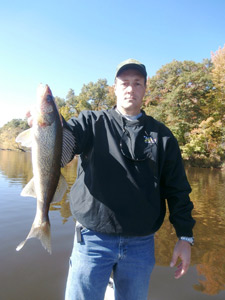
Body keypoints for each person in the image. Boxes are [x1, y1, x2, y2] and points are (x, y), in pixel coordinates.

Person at [29, 59, 195, 300]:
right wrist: (46, 127)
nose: (130, 88)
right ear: (115, 88)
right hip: (92, 241)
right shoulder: (91, 123)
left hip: (141, 245)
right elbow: (65, 143)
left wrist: (185, 236)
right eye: (124, 83)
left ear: (145, 89)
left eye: (137, 83)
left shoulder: (163, 136)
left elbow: (178, 188)